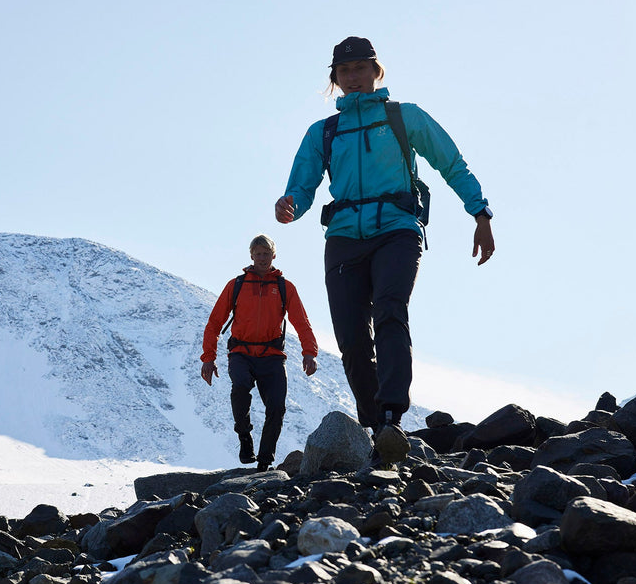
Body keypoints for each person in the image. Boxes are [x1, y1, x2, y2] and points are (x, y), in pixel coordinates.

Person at [275, 36, 495, 467]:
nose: (352, 77)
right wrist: (290, 207)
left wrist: (480, 212)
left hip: (397, 230)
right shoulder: (323, 132)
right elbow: (301, 187)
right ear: (335, 79)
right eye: (344, 71)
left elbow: (451, 162)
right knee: (351, 337)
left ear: (377, 71)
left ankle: (392, 416)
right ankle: (374, 426)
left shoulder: (403, 117)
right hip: (343, 237)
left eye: (361, 68)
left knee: (391, 309)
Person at [201, 235, 319, 471]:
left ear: (274, 256)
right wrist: (208, 358)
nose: (262, 258)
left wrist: (309, 352)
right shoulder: (237, 285)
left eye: (266, 254)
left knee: (276, 407)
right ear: (251, 256)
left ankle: (264, 462)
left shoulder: (285, 287)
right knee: (240, 386)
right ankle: (244, 437)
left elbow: (302, 322)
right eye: (258, 254)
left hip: (272, 355)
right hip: (241, 353)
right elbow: (214, 322)